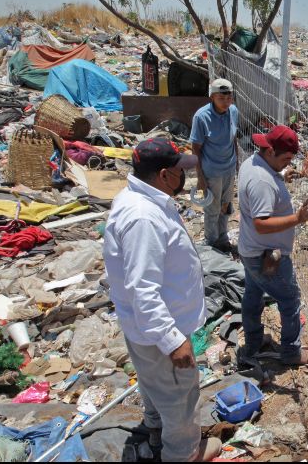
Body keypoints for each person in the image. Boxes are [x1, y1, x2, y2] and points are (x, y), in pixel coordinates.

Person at [103, 138, 213, 461]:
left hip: (143, 329)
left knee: (153, 387)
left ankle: (154, 430)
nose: (185, 177)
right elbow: (143, 290)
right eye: (180, 172)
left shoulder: (139, 198)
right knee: (179, 399)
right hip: (161, 334)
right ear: (164, 175)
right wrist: (173, 341)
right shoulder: (144, 219)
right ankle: (181, 453)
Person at [237, 125, 308, 366]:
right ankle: (291, 353)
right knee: (290, 299)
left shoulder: (253, 163)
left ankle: (253, 342)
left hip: (251, 249)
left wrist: (280, 176)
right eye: (285, 159)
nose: (287, 163)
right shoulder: (262, 182)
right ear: (270, 151)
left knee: (253, 294)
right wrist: (297, 219)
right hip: (265, 255)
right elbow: (261, 223)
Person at [190, 78, 240, 252]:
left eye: (229, 98)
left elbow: (234, 138)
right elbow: (196, 147)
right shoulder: (202, 117)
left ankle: (223, 237)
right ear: (212, 97)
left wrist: (237, 163)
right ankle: (212, 243)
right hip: (212, 171)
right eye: (221, 98)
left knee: (226, 205)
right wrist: (200, 178)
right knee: (212, 208)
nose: (226, 102)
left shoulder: (233, 111)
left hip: (229, 167)